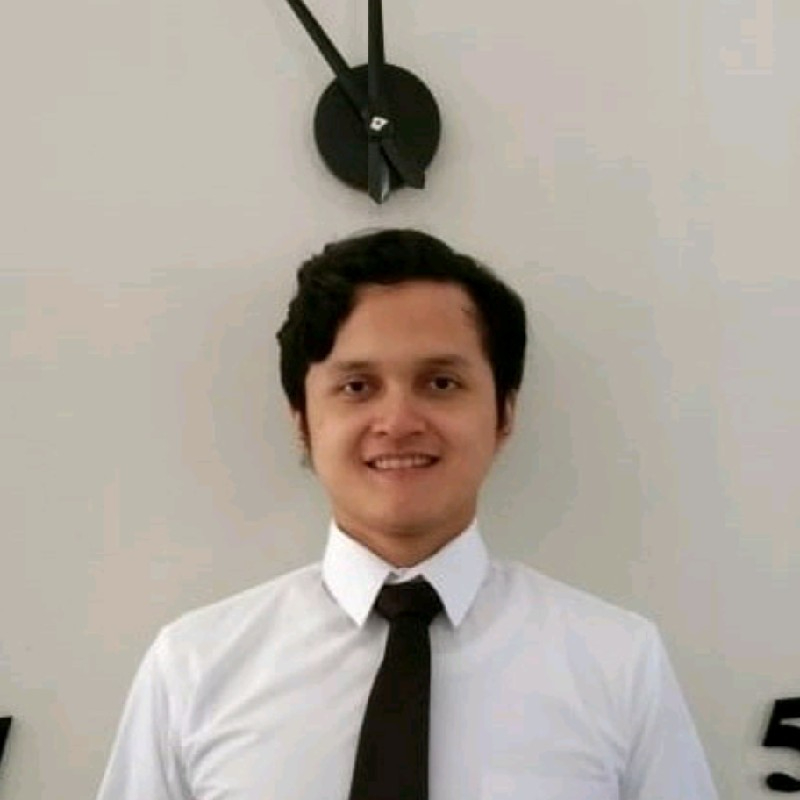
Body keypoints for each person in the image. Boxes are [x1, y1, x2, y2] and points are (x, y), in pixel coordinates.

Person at [95, 228, 718, 799]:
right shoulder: (195, 667)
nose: (397, 422)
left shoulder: (617, 663)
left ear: (504, 413)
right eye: (356, 387)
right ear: (302, 421)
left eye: (441, 383)